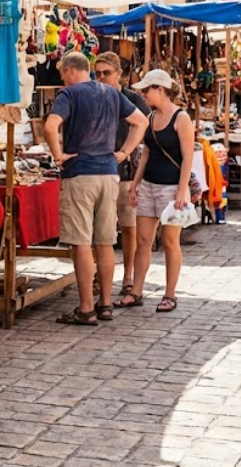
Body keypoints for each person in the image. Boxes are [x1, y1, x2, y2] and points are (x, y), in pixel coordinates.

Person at [44, 52, 148, 326]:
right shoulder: (111, 93)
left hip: (81, 174)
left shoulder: (69, 95)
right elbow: (142, 121)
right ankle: (104, 304)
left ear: (69, 70)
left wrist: (58, 157)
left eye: (62, 74)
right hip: (109, 174)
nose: (62, 80)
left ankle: (86, 307)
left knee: (80, 243)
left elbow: (50, 126)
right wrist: (124, 151)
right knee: (104, 242)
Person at [117, 69, 195, 314]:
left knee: (171, 241)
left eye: (147, 90)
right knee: (143, 241)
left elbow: (188, 156)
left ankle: (170, 294)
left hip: (171, 187)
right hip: (149, 185)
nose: (144, 94)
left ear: (160, 89)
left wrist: (182, 191)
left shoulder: (181, 118)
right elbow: (147, 153)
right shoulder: (149, 118)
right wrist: (136, 183)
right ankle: (136, 291)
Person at [94, 52, 150, 298]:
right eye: (98, 73)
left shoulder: (132, 100)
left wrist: (127, 151)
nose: (102, 77)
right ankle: (100, 274)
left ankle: (128, 276)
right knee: (100, 229)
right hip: (99, 171)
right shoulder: (93, 97)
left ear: (119, 74)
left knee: (128, 227)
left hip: (125, 173)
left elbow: (147, 128)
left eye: (107, 72)